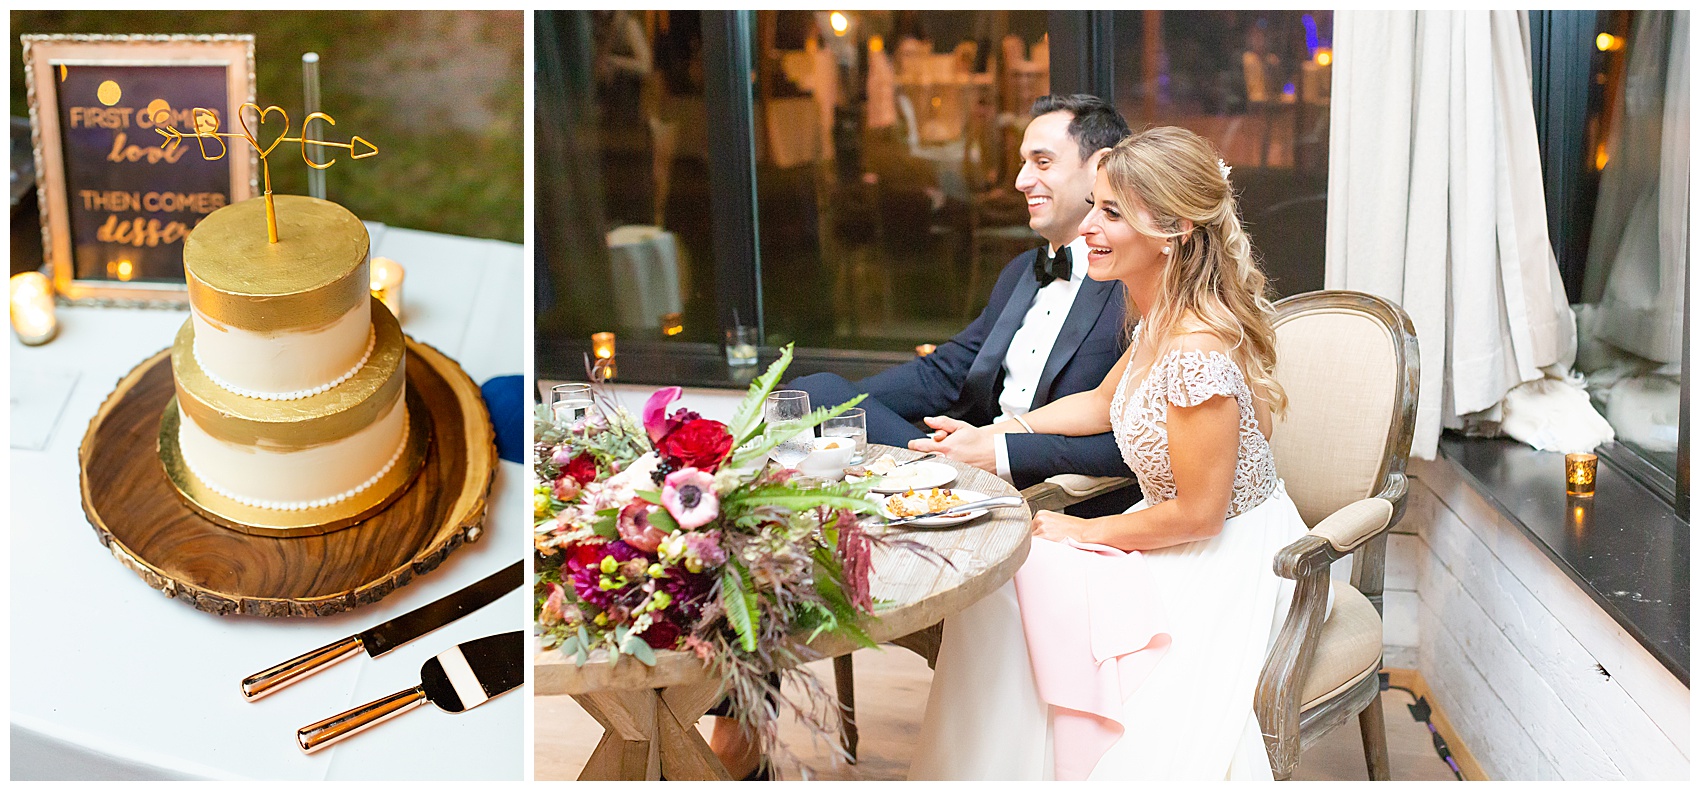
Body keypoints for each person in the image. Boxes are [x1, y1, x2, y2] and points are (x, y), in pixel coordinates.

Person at [908, 126, 1318, 780]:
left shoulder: (1195, 352)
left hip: (1226, 555)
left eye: (1111, 212)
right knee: (999, 585)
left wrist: (1085, 528)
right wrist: (1000, 433)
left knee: (1011, 585)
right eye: (1094, 204)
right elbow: (1103, 401)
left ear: (1173, 229)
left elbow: (1200, 515)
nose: (1088, 226)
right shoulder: (1159, 313)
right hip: (1176, 530)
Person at [793, 94, 1139, 518]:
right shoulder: (1021, 272)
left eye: (1042, 162)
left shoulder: (1133, 284)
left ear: (1101, 166)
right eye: (1022, 163)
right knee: (812, 396)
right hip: (966, 452)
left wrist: (1000, 450)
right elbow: (947, 371)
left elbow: (1136, 442)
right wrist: (849, 407)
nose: (1021, 181)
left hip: (1032, 483)